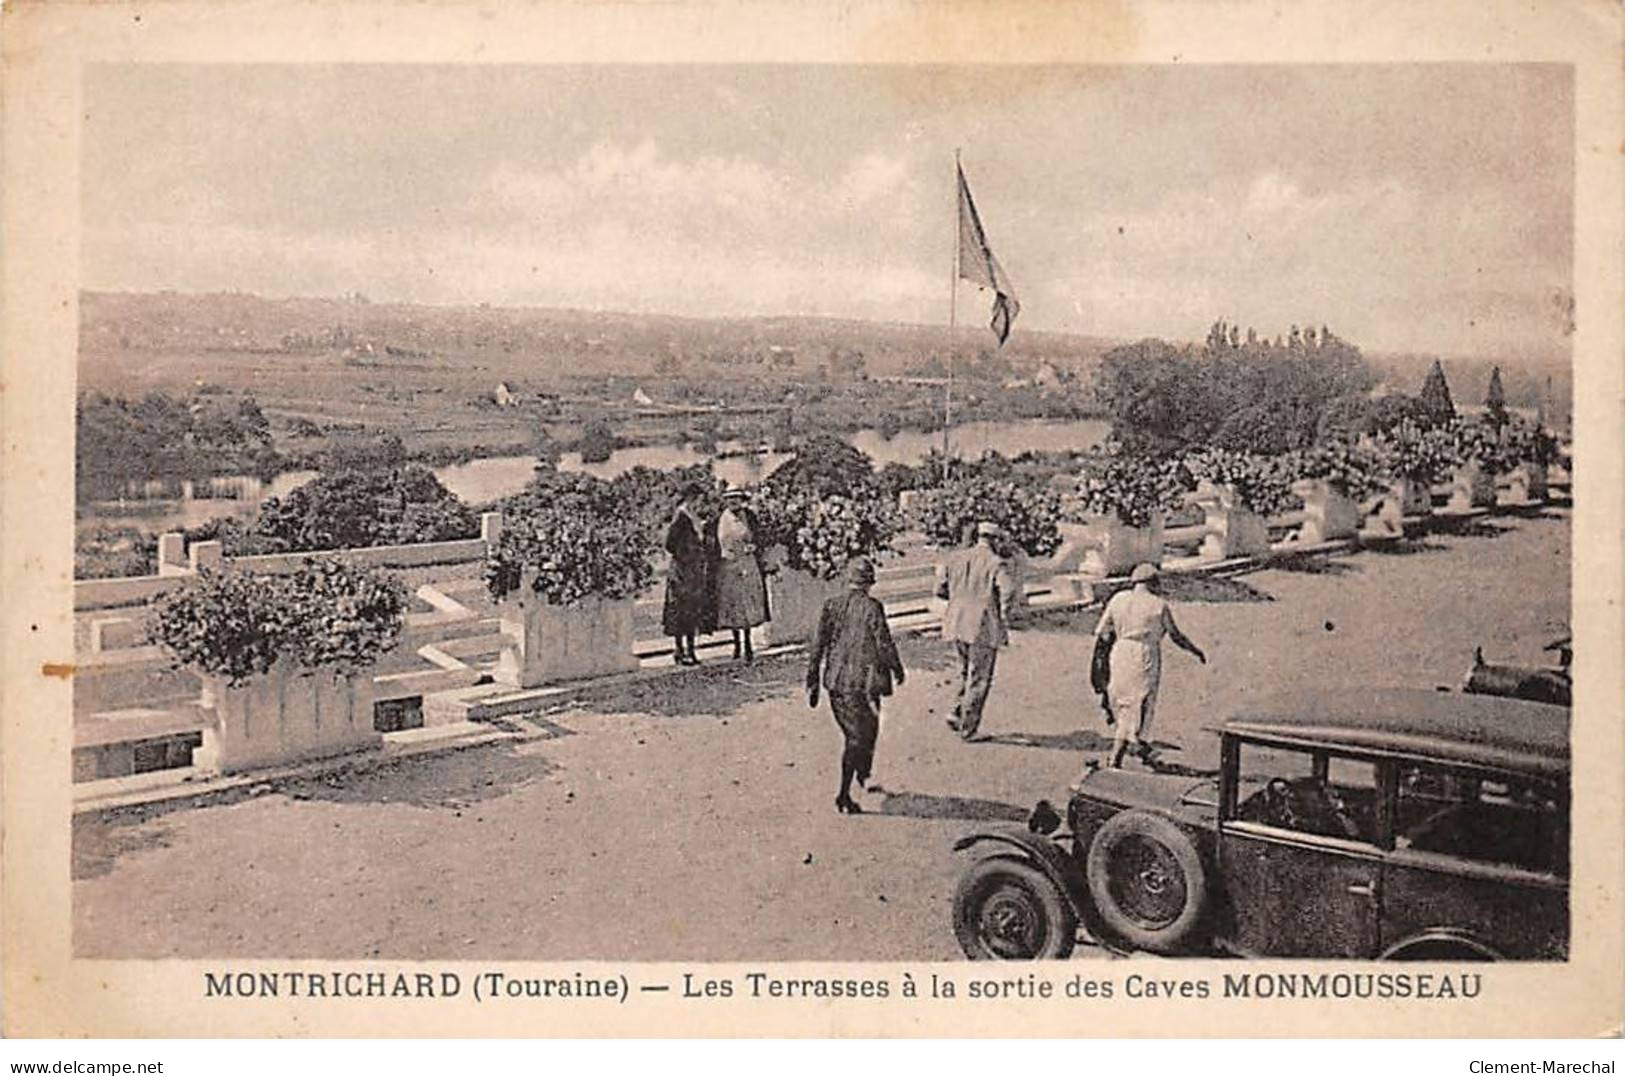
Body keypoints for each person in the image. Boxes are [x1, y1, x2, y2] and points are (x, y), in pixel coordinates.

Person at [806, 556, 905, 814]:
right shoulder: (872, 607)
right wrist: (897, 668)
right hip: (864, 683)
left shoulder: (832, 605)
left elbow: (818, 646)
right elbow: (884, 642)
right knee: (861, 735)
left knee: (862, 733)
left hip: (837, 683)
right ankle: (844, 794)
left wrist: (812, 680)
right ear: (869, 583)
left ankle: (861, 775)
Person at [1093, 563, 1207, 768]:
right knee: (1139, 703)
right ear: (1153, 583)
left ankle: (1141, 749)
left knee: (1122, 701)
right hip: (1143, 655)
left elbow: (1102, 632)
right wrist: (1195, 650)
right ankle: (1116, 757)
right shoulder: (1158, 605)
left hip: (1119, 652)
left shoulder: (1118, 599)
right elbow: (1175, 635)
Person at [936, 520, 1016, 741]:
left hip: (955, 621)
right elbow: (1008, 591)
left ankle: (956, 711)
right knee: (979, 676)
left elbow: (939, 589)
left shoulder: (955, 558)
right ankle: (969, 729)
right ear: (994, 540)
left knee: (964, 671)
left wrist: (957, 599)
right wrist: (1003, 615)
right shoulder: (996, 563)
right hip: (982, 624)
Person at [711, 484, 770, 662]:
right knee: (733, 606)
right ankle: (736, 644)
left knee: (747, 605)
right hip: (728, 567)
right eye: (730, 498)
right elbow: (712, 543)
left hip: (747, 564)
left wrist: (755, 546)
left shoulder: (750, 516)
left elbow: (761, 536)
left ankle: (748, 644)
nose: (733, 501)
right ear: (725, 501)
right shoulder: (719, 520)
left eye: (736, 497)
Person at [662, 482, 713, 666]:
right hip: (681, 571)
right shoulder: (681, 515)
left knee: (692, 610)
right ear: (691, 497)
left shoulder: (694, 516)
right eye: (698, 498)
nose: (700, 502)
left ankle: (690, 650)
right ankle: (680, 650)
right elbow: (669, 544)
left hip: (693, 572)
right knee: (680, 610)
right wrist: (685, 555)